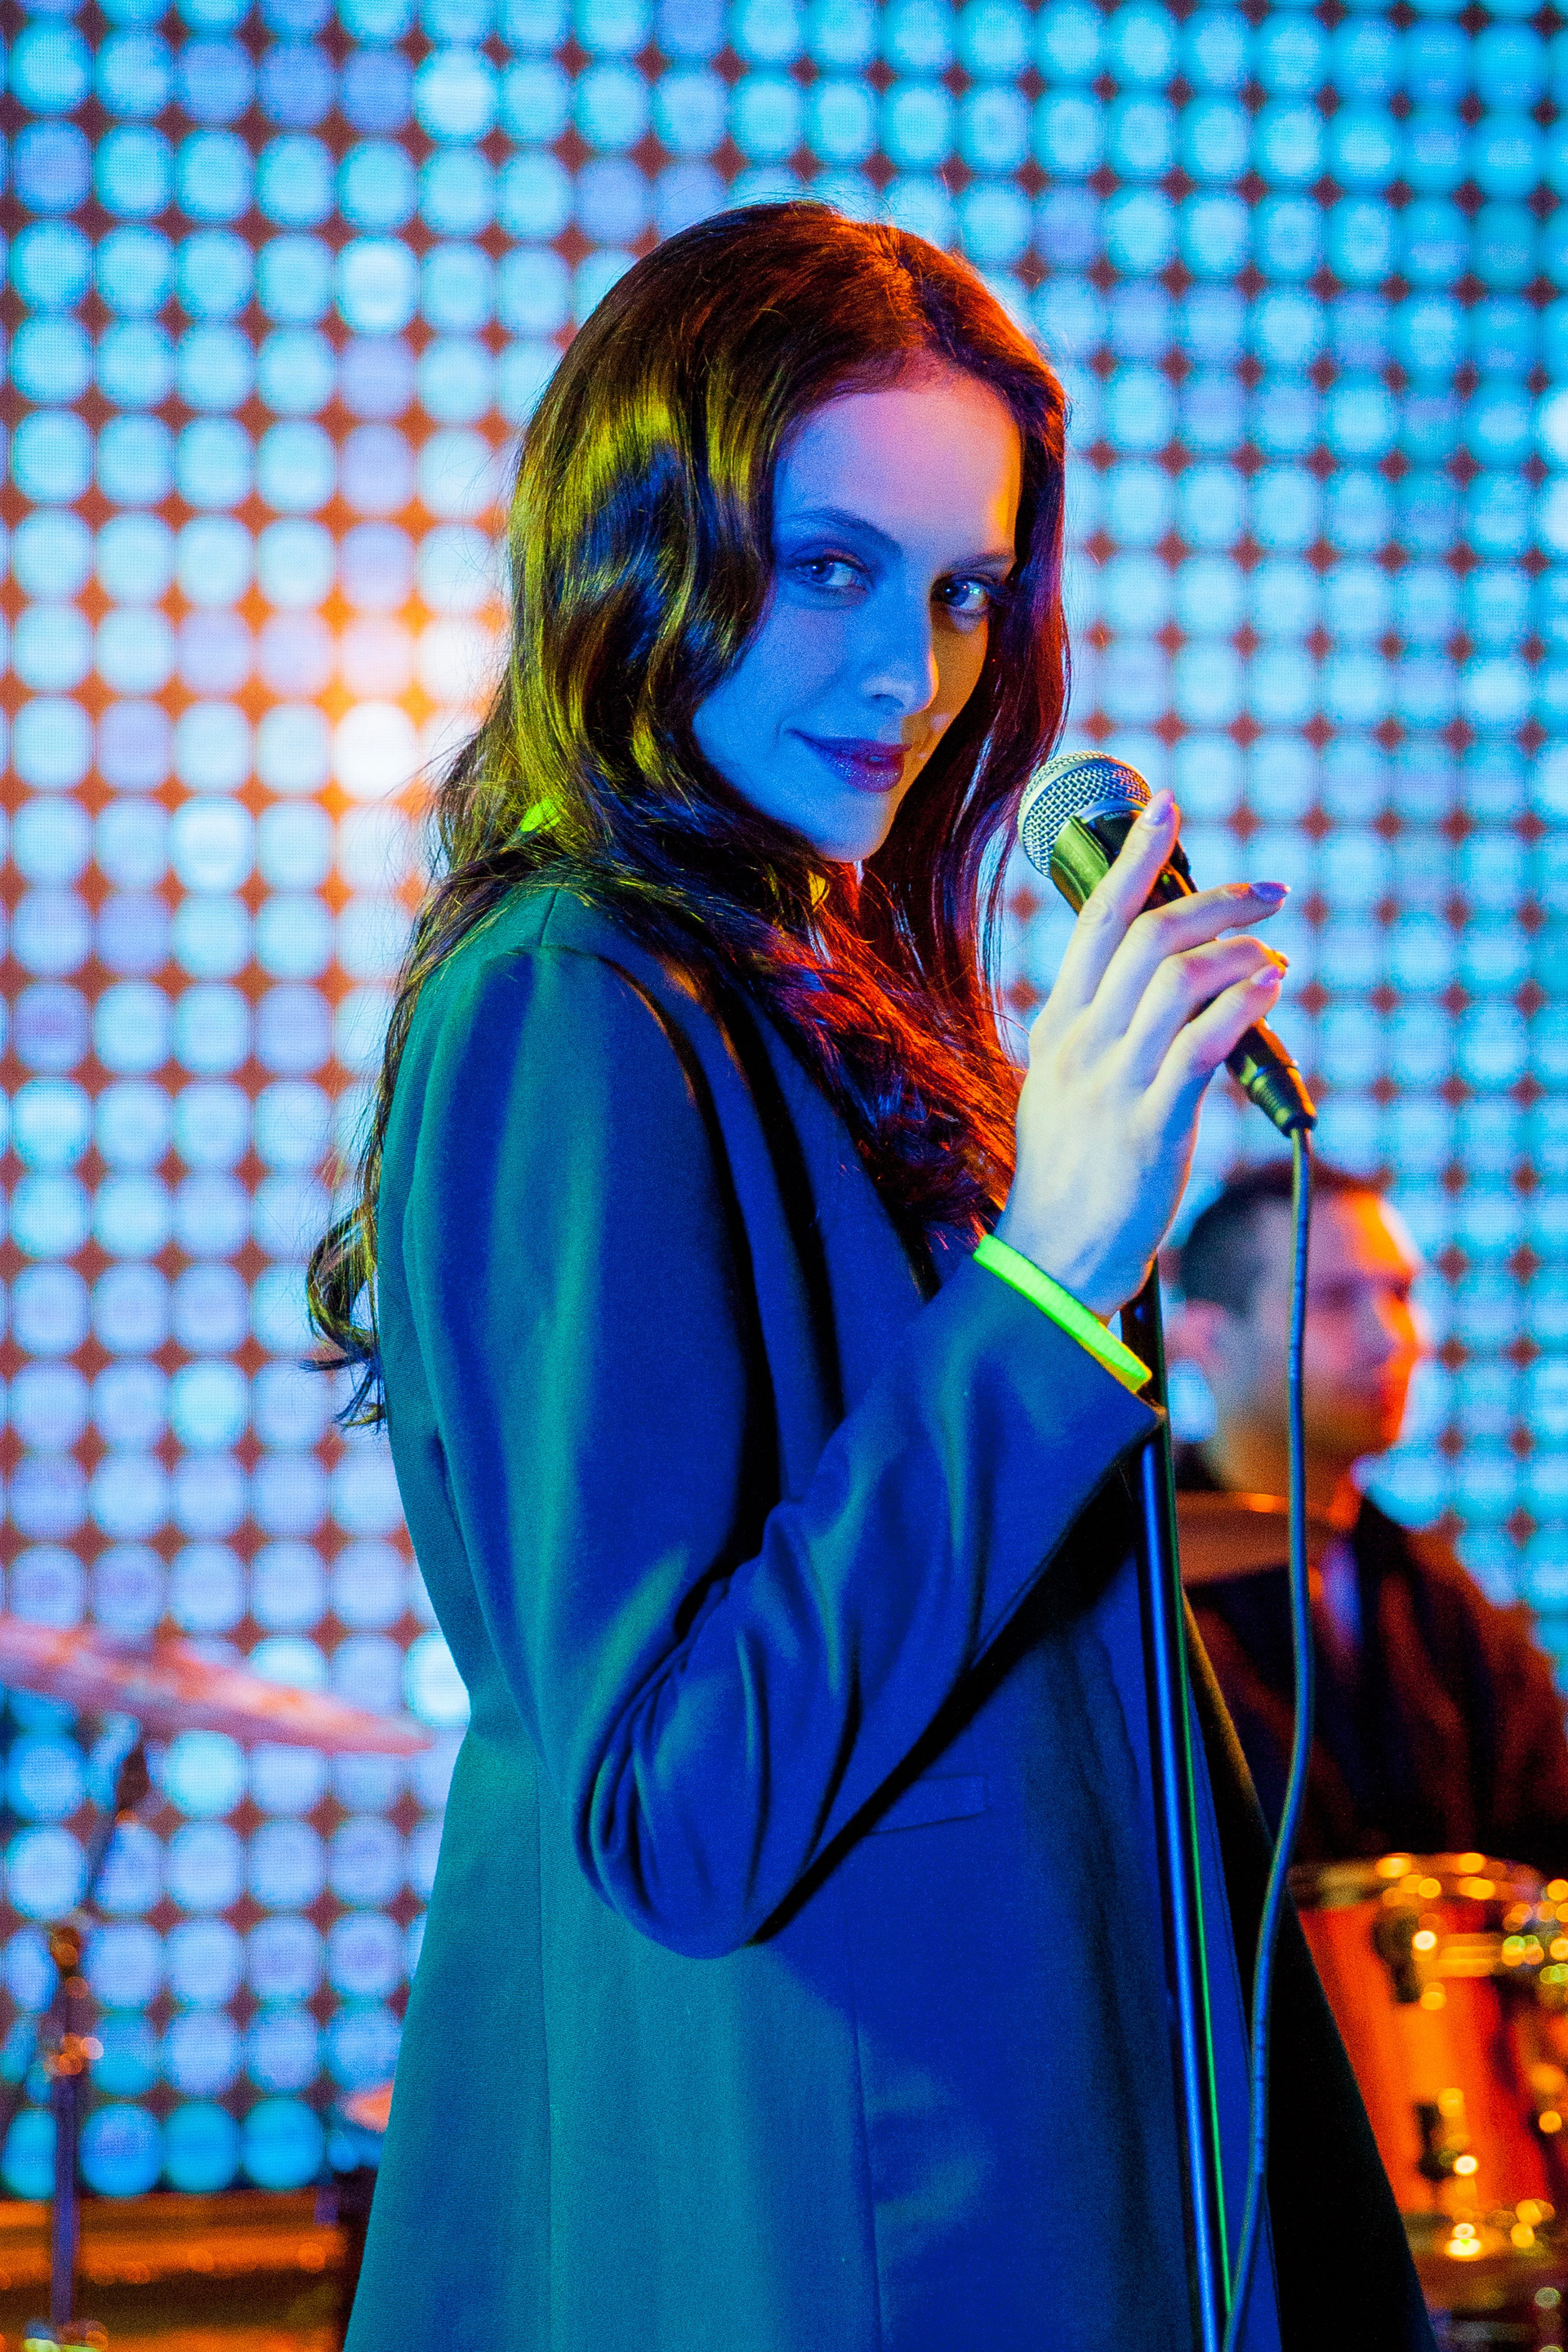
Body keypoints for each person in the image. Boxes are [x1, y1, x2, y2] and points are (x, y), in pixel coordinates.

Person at [310, 207, 1431, 2351]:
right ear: (647, 552)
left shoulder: (820, 982)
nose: (912, 676)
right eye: (827, 570)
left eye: (963, 593)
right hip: (851, 2220)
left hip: (1021, 2167)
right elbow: (680, 1805)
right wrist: (1054, 1275)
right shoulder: (571, 1001)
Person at [1173, 1160, 1568, 1873]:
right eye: (1331, 1299)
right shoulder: (1137, 1587)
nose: (1393, 1337)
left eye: (1400, 1293)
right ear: (1206, 1339)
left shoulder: (1439, 1595)